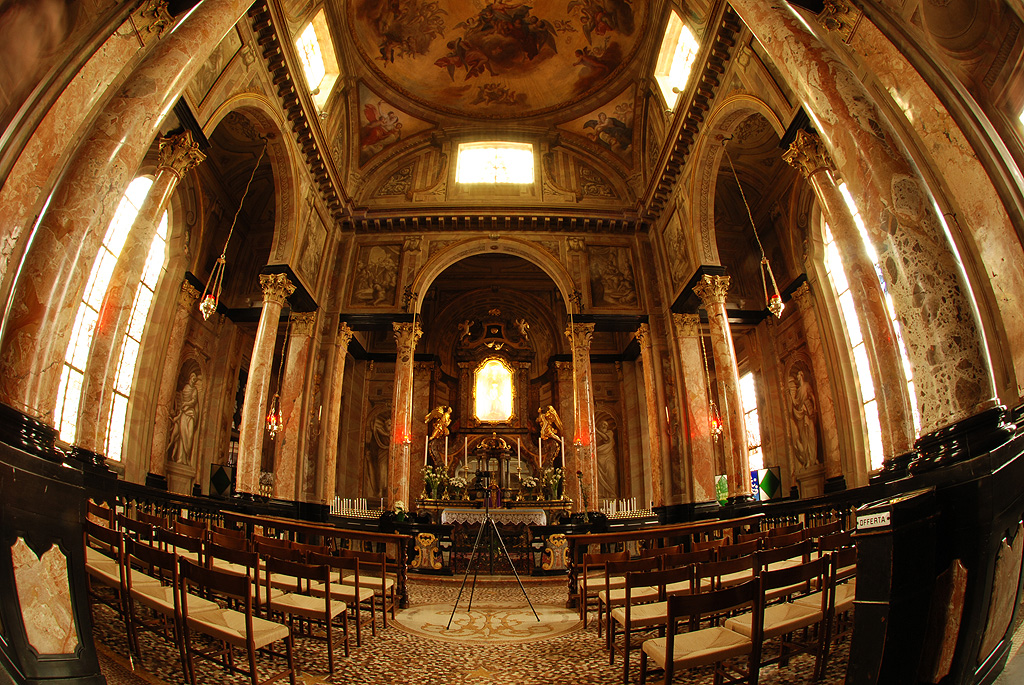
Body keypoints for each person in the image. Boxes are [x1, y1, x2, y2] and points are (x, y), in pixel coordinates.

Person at [168, 372, 200, 465]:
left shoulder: (194, 390)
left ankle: (187, 456)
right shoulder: (185, 388)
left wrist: (187, 404)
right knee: (182, 436)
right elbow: (181, 399)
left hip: (191, 414)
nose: (193, 381)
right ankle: (180, 458)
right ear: (190, 378)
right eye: (193, 379)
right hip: (183, 414)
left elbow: (194, 401)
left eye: (195, 380)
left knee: (189, 436)